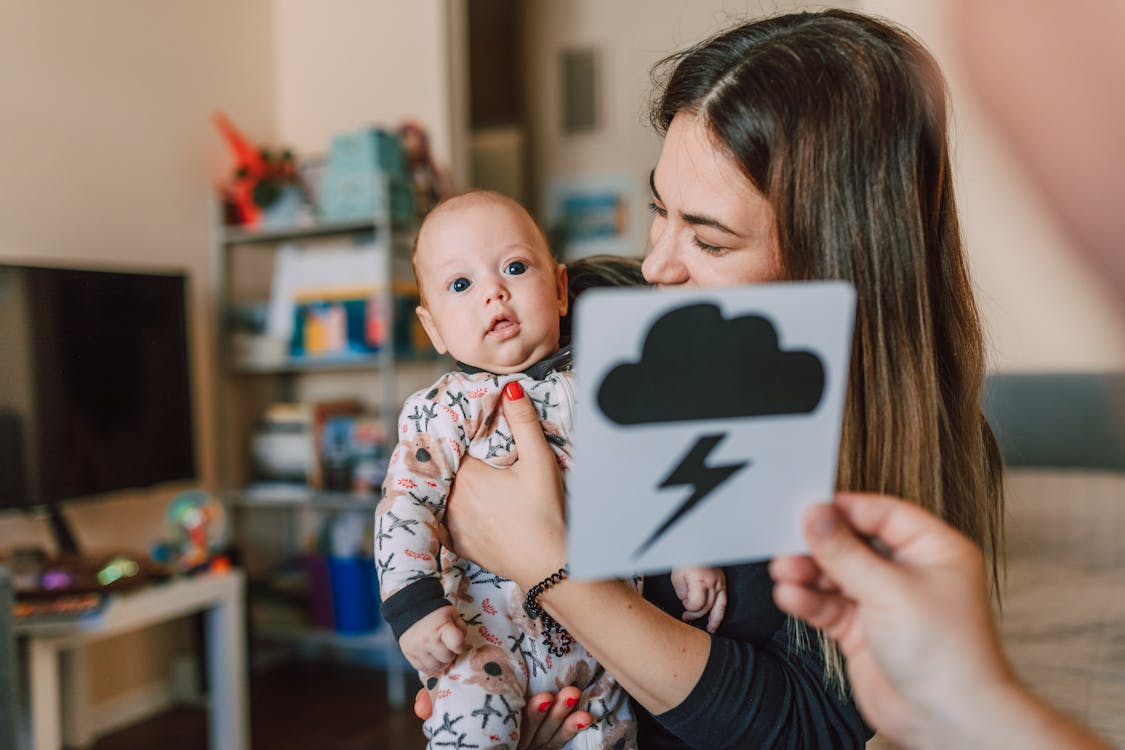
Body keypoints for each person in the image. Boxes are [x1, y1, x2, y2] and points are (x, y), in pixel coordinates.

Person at [417, 8, 1007, 749]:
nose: (657, 263)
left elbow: (811, 727)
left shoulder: (916, 459)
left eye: (707, 238)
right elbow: (442, 496)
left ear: (835, 261)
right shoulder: (594, 317)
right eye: (660, 209)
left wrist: (550, 570)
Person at [378, 190, 726, 749]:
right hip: (481, 647)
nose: (493, 290)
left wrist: (685, 546)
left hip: (602, 654)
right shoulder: (439, 411)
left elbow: (649, 468)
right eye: (460, 285)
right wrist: (413, 606)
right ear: (434, 328)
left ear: (560, 290)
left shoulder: (606, 386)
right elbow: (404, 507)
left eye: (515, 267)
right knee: (472, 726)